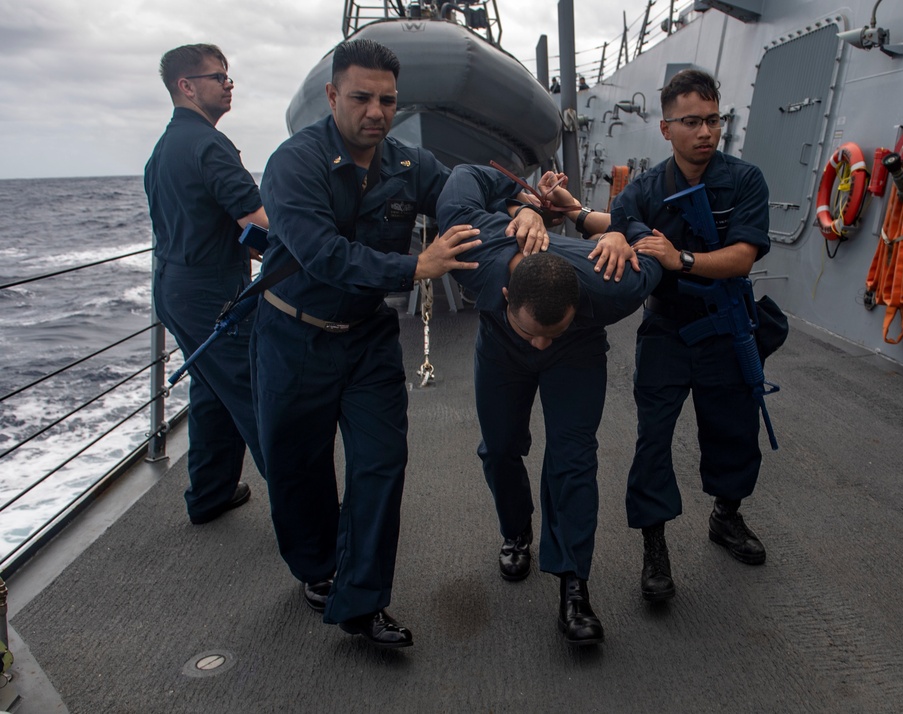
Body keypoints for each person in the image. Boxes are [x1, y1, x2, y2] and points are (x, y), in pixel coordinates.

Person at [251, 39, 481, 649]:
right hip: (292, 336)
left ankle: (362, 601)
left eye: (387, 100)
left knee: (381, 463)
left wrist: (522, 207)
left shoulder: (409, 164)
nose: (376, 111)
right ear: (332, 97)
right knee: (297, 469)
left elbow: (459, 194)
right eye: (361, 98)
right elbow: (322, 255)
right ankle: (316, 570)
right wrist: (414, 268)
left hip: (367, 339)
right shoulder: (292, 165)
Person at [541, 69, 771, 602]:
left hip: (726, 324)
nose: (705, 132)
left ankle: (726, 516)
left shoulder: (744, 182)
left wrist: (681, 258)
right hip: (668, 327)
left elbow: (743, 256)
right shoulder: (645, 189)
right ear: (666, 128)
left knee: (733, 429)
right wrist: (573, 211)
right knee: (654, 440)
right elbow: (617, 225)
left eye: (713, 120)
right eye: (691, 121)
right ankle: (655, 544)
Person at [437, 164, 664, 645]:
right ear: (502, 294)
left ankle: (573, 585)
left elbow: (657, 243)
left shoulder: (614, 284)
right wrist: (523, 207)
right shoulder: (472, 252)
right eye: (533, 332)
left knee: (573, 461)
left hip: (576, 352)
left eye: (548, 331)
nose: (539, 343)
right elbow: (468, 173)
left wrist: (622, 233)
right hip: (500, 346)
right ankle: (516, 532)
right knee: (499, 447)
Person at [144, 44, 268, 526]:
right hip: (214, 293)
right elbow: (258, 229)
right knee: (257, 394)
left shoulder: (163, 150)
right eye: (220, 78)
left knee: (213, 391)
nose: (228, 85)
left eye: (229, 78)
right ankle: (310, 517)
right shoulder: (210, 145)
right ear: (187, 86)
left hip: (172, 288)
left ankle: (210, 494)